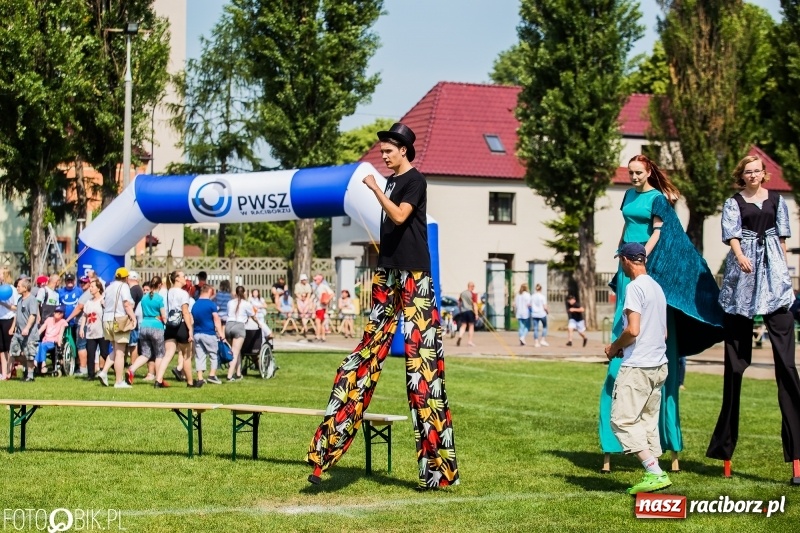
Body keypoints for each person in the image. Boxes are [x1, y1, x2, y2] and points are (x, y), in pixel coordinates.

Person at [308, 122, 459, 489]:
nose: (383, 154)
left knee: (423, 375)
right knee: (362, 357)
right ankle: (326, 449)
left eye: (389, 149)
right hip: (387, 274)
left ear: (404, 149)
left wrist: (375, 188)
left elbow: (400, 216)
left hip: (415, 274)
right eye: (383, 150)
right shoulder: (391, 182)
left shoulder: (414, 181)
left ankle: (438, 472)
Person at [599, 154, 724, 474]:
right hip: (626, 261)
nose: (634, 177)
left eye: (639, 172)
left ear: (649, 171)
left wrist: (641, 257)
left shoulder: (658, 199)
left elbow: (659, 234)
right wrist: (620, 252)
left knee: (643, 328)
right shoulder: (628, 196)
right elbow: (627, 226)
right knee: (622, 329)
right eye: (631, 173)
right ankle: (618, 440)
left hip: (644, 261)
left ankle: (658, 443)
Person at [706, 155, 800, 482]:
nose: (753, 175)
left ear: (764, 174)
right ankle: (724, 450)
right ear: (741, 175)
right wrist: (740, 254)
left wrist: (783, 274)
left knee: (787, 368)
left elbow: (783, 239)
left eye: (757, 170)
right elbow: (731, 235)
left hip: (773, 275)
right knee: (734, 367)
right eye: (747, 171)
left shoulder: (777, 200)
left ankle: (798, 455)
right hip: (742, 275)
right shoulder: (733, 203)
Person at [604, 243, 671, 495]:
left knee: (621, 420)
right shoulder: (656, 287)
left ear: (626, 260)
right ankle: (656, 474)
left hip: (639, 367)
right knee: (646, 421)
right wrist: (628, 346)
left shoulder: (634, 288)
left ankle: (654, 472)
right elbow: (662, 333)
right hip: (658, 364)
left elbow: (633, 330)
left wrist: (614, 347)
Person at [155, 271, 197, 388]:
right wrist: (190, 330)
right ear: (177, 279)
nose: (185, 278)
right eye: (183, 276)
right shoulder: (183, 294)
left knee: (168, 355)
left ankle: (158, 380)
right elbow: (185, 312)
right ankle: (190, 382)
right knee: (186, 356)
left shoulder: (168, 292)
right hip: (181, 326)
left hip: (170, 326)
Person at [98, 268, 137, 388]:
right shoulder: (124, 287)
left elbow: (102, 302)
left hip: (106, 320)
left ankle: (104, 372)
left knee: (115, 350)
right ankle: (119, 381)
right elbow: (126, 304)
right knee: (120, 352)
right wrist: (133, 318)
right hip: (118, 319)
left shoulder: (109, 287)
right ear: (126, 278)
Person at [127, 276, 165, 385]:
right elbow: (163, 315)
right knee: (159, 354)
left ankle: (131, 369)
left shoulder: (144, 298)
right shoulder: (159, 298)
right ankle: (159, 379)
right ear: (159, 286)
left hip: (144, 326)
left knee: (145, 354)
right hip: (156, 327)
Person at [191, 284, 225, 386]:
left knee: (200, 356)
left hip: (197, 333)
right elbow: (216, 320)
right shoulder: (211, 304)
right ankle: (212, 375)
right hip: (209, 333)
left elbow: (193, 319)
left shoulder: (195, 304)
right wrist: (221, 333)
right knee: (213, 355)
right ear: (209, 291)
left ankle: (200, 378)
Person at [9, 278, 40, 382]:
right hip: (18, 333)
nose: (17, 288)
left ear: (25, 288)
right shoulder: (19, 300)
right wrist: (14, 327)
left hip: (29, 334)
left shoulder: (32, 299)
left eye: (19, 286)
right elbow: (17, 314)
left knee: (30, 355)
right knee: (14, 352)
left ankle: (30, 376)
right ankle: (29, 368)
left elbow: (33, 315)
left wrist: (27, 328)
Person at [78, 280, 107, 380]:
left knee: (104, 353)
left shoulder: (103, 300)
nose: (90, 288)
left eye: (92, 287)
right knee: (91, 353)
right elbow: (85, 316)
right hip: (91, 332)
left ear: (98, 288)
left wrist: (105, 305)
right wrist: (82, 328)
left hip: (102, 332)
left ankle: (115, 369)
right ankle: (91, 375)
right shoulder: (88, 302)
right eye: (90, 286)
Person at [225, 285, 255, 381]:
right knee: (235, 352)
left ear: (235, 293)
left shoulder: (230, 303)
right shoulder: (246, 304)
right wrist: (259, 324)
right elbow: (253, 316)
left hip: (228, 326)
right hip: (239, 326)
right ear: (244, 293)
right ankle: (229, 375)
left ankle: (238, 373)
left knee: (235, 351)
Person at [35, 305, 68, 373]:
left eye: (60, 312)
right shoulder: (49, 319)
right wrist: (33, 337)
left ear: (62, 314)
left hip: (53, 342)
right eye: (56, 312)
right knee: (38, 344)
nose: (58, 313)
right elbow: (40, 330)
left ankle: (43, 365)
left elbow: (61, 334)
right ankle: (35, 363)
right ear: (54, 313)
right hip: (45, 340)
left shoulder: (63, 322)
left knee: (42, 346)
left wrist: (59, 342)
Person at [0, 268, 19, 380]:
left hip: (8, 320)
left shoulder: (11, 289)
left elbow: (15, 308)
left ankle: (9, 371)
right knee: (1, 349)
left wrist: (3, 303)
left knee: (9, 348)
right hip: (0, 320)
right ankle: (3, 373)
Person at [312, 274, 334, 342]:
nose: (315, 281)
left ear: (319, 280)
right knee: (321, 323)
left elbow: (332, 293)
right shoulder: (317, 287)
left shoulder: (323, 286)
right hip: (319, 307)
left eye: (316, 280)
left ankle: (318, 336)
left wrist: (327, 300)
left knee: (318, 322)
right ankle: (323, 337)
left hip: (321, 307)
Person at [455, 281, 478, 347]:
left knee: (463, 325)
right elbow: (474, 304)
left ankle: (460, 336)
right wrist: (476, 314)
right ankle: (470, 341)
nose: (474, 288)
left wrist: (460, 310)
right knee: (471, 326)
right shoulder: (473, 294)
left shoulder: (462, 293)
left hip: (463, 311)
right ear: (471, 286)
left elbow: (459, 303)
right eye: (473, 286)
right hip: (470, 311)